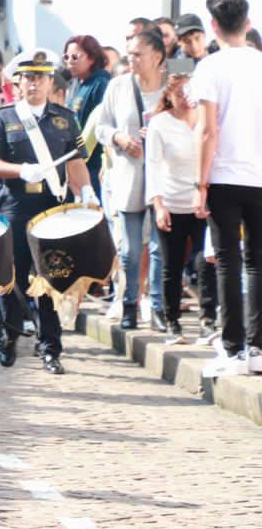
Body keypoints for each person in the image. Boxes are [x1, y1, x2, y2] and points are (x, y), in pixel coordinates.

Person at [0, 49, 94, 374]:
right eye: (28, 78)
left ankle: (50, 348)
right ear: (18, 82)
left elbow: (75, 163)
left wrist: (85, 192)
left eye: (40, 78)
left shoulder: (64, 118)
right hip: (15, 205)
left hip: (51, 207)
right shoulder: (3, 118)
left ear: (49, 81)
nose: (34, 84)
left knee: (49, 278)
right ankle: (9, 335)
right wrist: (19, 170)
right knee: (12, 278)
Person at [189, 0, 262, 377]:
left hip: (223, 177)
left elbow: (207, 131)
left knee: (229, 263)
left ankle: (233, 349)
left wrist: (200, 185)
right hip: (259, 177)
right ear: (247, 23)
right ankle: (257, 348)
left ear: (214, 26)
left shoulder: (210, 68)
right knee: (257, 264)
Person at [97, 30, 167, 331]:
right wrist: (120, 138)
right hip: (129, 176)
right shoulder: (118, 86)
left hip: (165, 178)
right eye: (130, 54)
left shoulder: (172, 87)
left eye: (138, 54)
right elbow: (100, 126)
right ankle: (129, 304)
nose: (132, 60)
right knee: (129, 248)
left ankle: (159, 305)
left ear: (157, 56)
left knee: (159, 247)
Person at [145, 56, 210, 343]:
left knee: (204, 261)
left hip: (201, 202)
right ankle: (172, 320)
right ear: (169, 95)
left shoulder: (206, 120)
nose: (186, 100)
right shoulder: (160, 124)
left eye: (190, 93)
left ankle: (209, 319)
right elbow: (154, 165)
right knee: (172, 264)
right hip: (171, 202)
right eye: (179, 94)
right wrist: (158, 204)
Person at [63, 35, 111, 194]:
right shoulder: (75, 84)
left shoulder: (101, 84)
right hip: (75, 158)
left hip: (93, 162)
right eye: (66, 57)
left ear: (91, 58)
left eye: (75, 57)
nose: (70, 61)